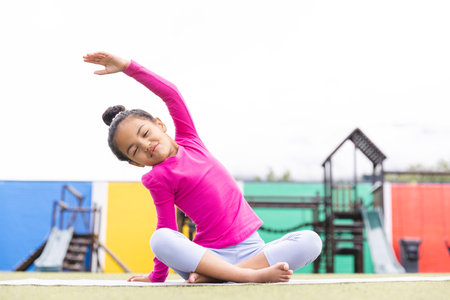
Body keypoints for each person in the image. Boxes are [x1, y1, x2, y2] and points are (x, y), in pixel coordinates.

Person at [83, 52, 322, 284]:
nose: (146, 145)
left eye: (145, 133)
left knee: (311, 241)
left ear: (160, 124)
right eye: (135, 151)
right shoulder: (157, 178)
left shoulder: (191, 140)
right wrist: (158, 275)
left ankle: (224, 277)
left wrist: (128, 66)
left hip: (255, 252)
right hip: (209, 258)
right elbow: (167, 226)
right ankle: (246, 276)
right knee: (160, 238)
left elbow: (171, 94)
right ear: (136, 163)